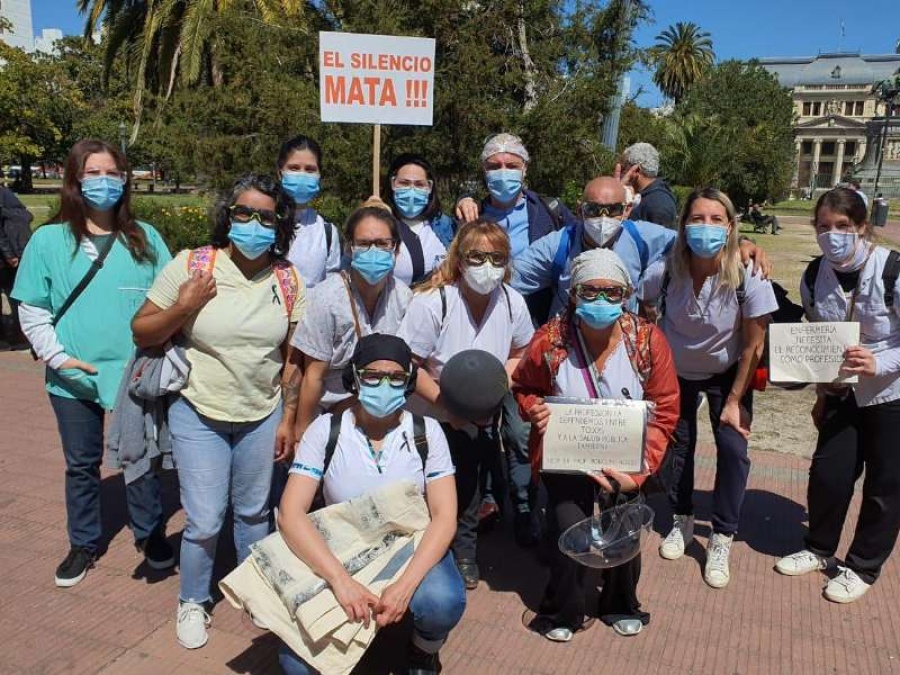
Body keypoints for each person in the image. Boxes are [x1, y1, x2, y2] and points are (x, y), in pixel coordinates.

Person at [131, 174, 305, 649]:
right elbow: (142, 329)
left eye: (265, 217)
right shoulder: (194, 265)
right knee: (205, 519)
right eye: (243, 213)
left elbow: (293, 355)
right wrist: (184, 305)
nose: (252, 224)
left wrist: (288, 417)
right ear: (228, 216)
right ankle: (193, 600)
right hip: (198, 410)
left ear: (279, 224)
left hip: (261, 412)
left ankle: (254, 592)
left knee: (253, 512)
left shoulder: (288, 280)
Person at [12, 139, 173, 588]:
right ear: (76, 180)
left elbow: (171, 297)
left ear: (125, 181)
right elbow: (33, 307)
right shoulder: (49, 241)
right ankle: (83, 543)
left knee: (141, 459)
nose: (105, 183)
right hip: (72, 380)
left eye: (113, 173)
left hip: (134, 377)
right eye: (94, 173)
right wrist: (59, 357)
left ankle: (150, 533)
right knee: (81, 463)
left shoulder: (144, 238)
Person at [513, 248, 679, 640]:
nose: (601, 301)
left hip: (627, 458)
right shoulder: (550, 340)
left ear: (627, 294)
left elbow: (667, 408)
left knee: (626, 527)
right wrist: (534, 408)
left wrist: (638, 474)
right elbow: (525, 387)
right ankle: (562, 610)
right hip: (566, 454)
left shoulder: (647, 341)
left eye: (612, 292)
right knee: (568, 529)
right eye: (590, 292)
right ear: (572, 293)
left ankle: (621, 602)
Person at [277, 333, 464, 675]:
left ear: (408, 382)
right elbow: (291, 513)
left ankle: (423, 651)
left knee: (442, 601)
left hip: (407, 545)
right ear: (355, 378)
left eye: (396, 377)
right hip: (344, 550)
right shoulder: (327, 430)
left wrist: (405, 586)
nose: (384, 385)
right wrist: (339, 580)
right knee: (296, 667)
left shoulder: (427, 432)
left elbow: (444, 517)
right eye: (373, 375)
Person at [638, 187, 777, 589]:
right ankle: (681, 518)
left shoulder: (747, 273)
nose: (706, 227)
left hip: (727, 374)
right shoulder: (666, 269)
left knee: (733, 449)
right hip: (676, 373)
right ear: (683, 226)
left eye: (717, 219)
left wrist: (735, 400)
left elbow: (753, 345)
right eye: (697, 219)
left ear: (731, 227)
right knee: (678, 445)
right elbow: (645, 306)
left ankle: (721, 535)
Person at [775, 188, 900, 604]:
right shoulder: (814, 276)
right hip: (841, 393)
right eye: (825, 227)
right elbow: (816, 334)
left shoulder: (891, 269)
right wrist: (817, 382)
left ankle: (863, 565)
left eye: (843, 227)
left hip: (890, 394)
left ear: (863, 227)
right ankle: (818, 547)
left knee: (885, 484)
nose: (833, 235)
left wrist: (879, 364)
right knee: (829, 474)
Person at [398, 219, 535, 587]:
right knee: (426, 487)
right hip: (431, 413)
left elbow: (521, 350)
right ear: (459, 260)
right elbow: (407, 364)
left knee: (471, 487)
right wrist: (448, 407)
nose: (487, 266)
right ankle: (420, 553)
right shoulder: (433, 302)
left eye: (496, 257)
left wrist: (495, 387)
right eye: (477, 256)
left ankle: (464, 552)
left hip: (481, 414)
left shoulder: (511, 302)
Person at [291, 206, 412, 443]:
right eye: (364, 244)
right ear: (349, 248)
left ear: (395, 250)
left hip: (384, 413)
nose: (373, 251)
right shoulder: (327, 298)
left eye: (382, 243)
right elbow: (313, 376)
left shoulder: (404, 297)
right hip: (330, 414)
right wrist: (302, 433)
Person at [513, 176, 676, 317]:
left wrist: (654, 277)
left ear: (627, 210)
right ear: (579, 210)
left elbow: (686, 244)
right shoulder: (558, 244)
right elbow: (511, 277)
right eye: (593, 209)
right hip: (566, 342)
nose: (603, 217)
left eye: (613, 210)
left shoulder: (641, 237)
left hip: (622, 341)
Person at [277, 135, 341, 287]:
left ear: (319, 175)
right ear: (280, 173)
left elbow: (331, 288)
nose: (302, 174)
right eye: (294, 168)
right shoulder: (262, 222)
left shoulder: (327, 232)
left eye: (310, 170)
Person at [383, 154, 450, 286]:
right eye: (404, 183)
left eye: (419, 184)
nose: (412, 190)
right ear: (392, 183)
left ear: (429, 187)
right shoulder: (379, 224)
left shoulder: (445, 225)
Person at [0, 185, 33, 347]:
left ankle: (15, 333)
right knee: (14, 293)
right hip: (10, 255)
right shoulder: (6, 195)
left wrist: (9, 254)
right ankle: (15, 333)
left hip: (8, 256)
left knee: (14, 293)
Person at [619, 143, 678, 229]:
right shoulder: (642, 197)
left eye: (624, 168)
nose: (621, 174)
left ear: (636, 170)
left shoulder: (659, 204)